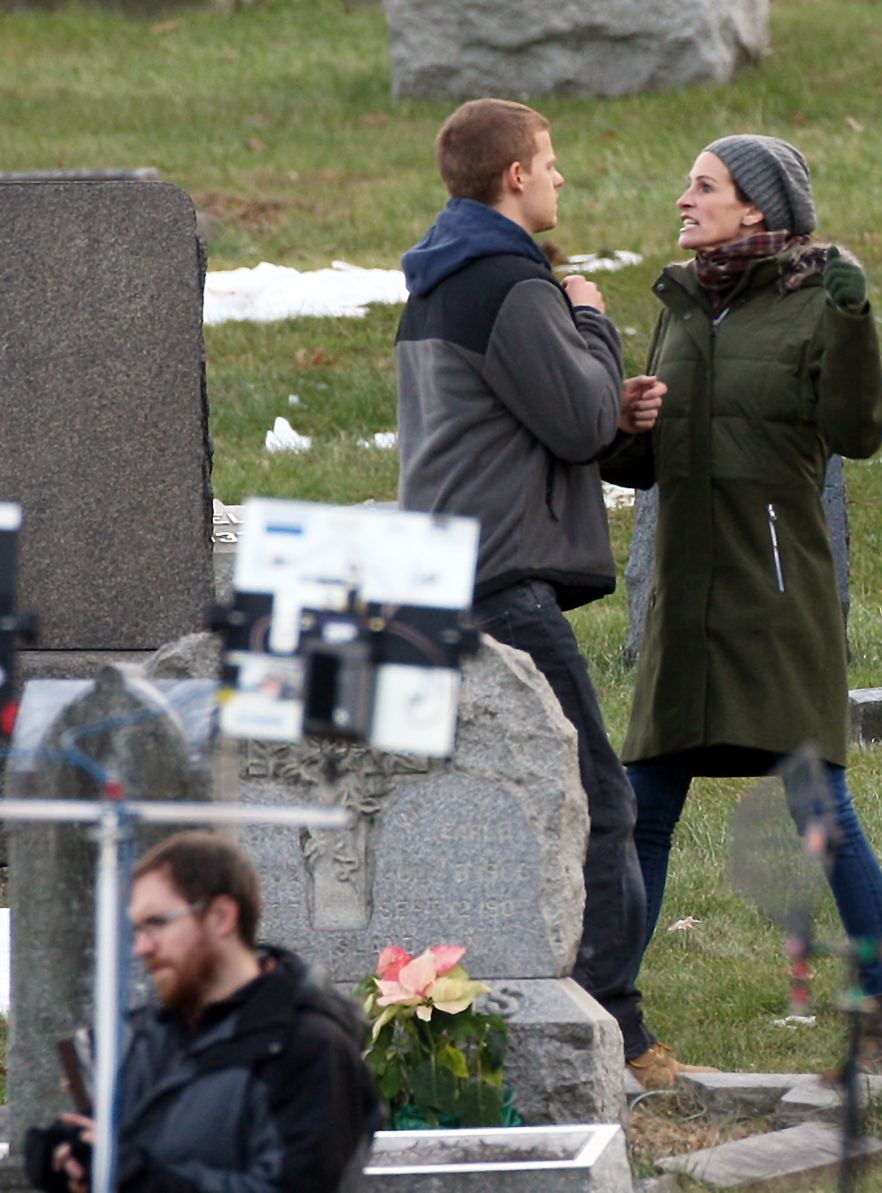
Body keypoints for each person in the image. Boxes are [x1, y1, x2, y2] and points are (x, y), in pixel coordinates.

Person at [602, 134, 882, 1081]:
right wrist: (623, 421)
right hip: (684, 609)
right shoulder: (679, 304)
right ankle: (607, 1019)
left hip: (778, 603)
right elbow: (640, 465)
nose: (683, 198)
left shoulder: (816, 303)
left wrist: (855, 318)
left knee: (822, 811)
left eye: (702, 185)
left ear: (756, 207)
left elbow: (859, 430)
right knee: (643, 810)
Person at [394, 98, 697, 1091]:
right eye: (549, 161)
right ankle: (614, 1032)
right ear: (514, 176)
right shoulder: (512, 282)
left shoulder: (440, 280)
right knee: (598, 801)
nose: (560, 177)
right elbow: (574, 422)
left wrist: (604, 400)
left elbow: (538, 415)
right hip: (498, 583)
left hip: (441, 575)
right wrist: (592, 324)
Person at [24, 831, 382, 1193]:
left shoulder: (309, 1047)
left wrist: (135, 1175)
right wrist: (68, 1156)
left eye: (157, 923)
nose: (141, 947)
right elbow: (130, 1149)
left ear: (221, 916)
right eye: (136, 930)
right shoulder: (147, 1035)